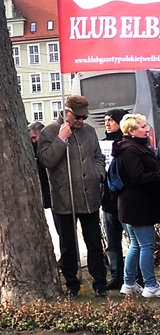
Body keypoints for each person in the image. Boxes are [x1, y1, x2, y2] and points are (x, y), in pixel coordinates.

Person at [38, 94, 108, 297]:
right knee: (68, 245)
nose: (81, 121)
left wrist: (98, 174)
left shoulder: (89, 131)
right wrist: (62, 139)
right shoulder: (50, 131)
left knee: (94, 242)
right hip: (64, 198)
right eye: (77, 117)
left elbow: (98, 156)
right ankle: (72, 283)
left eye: (83, 117)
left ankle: (100, 282)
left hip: (89, 197)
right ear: (67, 113)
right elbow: (46, 160)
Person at [113, 113, 160, 297]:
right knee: (146, 245)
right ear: (131, 131)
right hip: (137, 205)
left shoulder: (130, 147)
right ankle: (150, 285)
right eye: (142, 126)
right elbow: (137, 177)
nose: (146, 129)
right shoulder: (131, 150)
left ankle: (129, 283)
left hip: (131, 204)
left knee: (136, 245)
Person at [101, 109, 126, 291]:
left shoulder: (126, 144)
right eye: (105, 120)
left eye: (111, 120)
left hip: (125, 200)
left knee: (134, 241)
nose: (107, 123)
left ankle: (135, 275)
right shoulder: (102, 144)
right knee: (112, 242)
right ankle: (116, 276)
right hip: (108, 201)